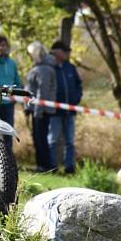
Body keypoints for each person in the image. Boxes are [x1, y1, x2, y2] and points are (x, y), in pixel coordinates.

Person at [48, 40, 83, 174]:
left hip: (70, 111)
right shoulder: (50, 68)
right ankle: (52, 166)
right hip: (54, 111)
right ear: (57, 52)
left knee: (70, 141)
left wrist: (77, 99)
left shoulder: (70, 67)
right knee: (53, 140)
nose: (67, 54)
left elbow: (78, 84)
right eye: (65, 51)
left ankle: (69, 167)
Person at [24, 42, 57, 172]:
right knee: (40, 137)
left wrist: (37, 111)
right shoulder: (40, 68)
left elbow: (41, 92)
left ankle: (44, 165)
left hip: (41, 110)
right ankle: (43, 164)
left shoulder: (43, 70)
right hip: (38, 109)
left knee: (40, 138)